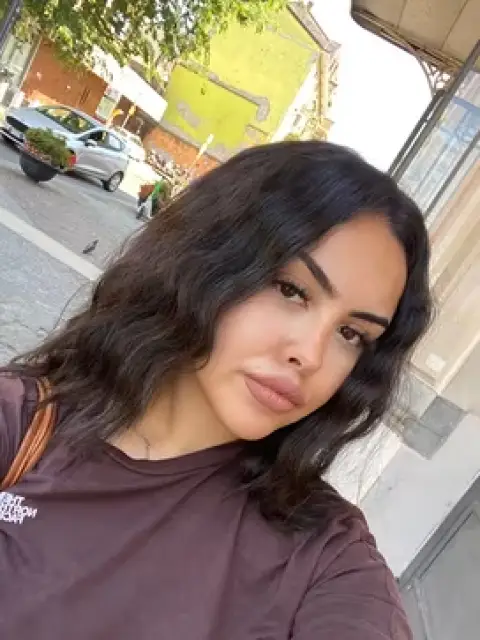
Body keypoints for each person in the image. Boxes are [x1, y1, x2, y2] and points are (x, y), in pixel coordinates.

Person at [0, 141, 432, 639]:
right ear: (209, 261)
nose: (311, 356)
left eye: (351, 334)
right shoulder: (24, 426)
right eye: (291, 290)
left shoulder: (325, 558)